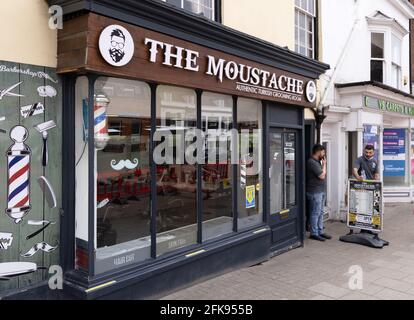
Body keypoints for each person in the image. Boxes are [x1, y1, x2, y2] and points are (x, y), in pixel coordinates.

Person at [306, 144, 332, 241]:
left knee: (321, 212)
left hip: (321, 191)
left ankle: (320, 231)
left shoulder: (317, 162)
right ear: (318, 151)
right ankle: (314, 233)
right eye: (323, 152)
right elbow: (321, 175)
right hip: (315, 192)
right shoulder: (312, 162)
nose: (324, 154)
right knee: (315, 213)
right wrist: (324, 164)